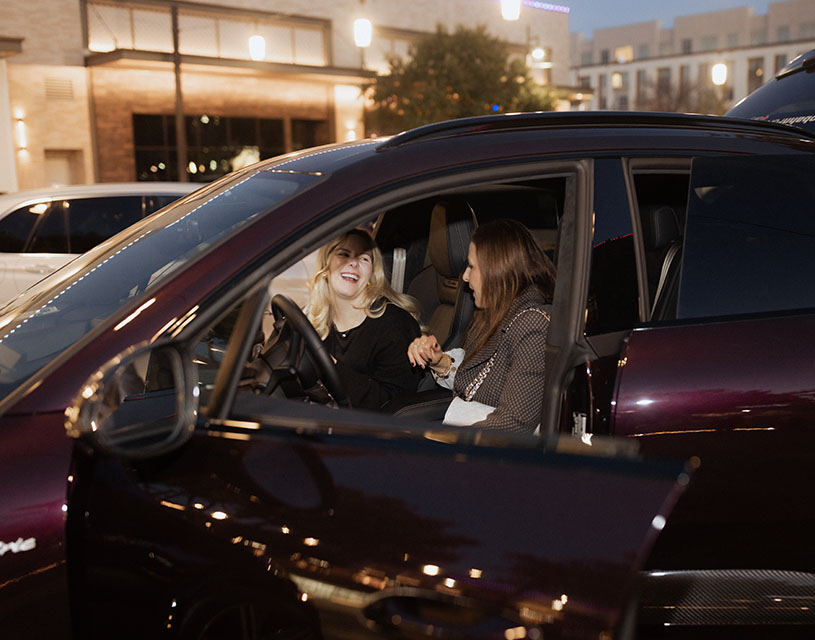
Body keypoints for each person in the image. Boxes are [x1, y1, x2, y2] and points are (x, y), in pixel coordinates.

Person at [407, 219, 555, 433]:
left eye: (472, 266)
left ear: (498, 270)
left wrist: (448, 443)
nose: (465, 277)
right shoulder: (495, 313)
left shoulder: (532, 324)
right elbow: (480, 380)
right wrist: (440, 363)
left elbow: (515, 423)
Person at [306, 228, 423, 411]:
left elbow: (393, 406)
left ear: (372, 274)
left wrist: (332, 368)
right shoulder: (314, 318)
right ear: (325, 267)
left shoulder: (394, 325)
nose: (353, 263)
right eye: (344, 254)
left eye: (363, 258)